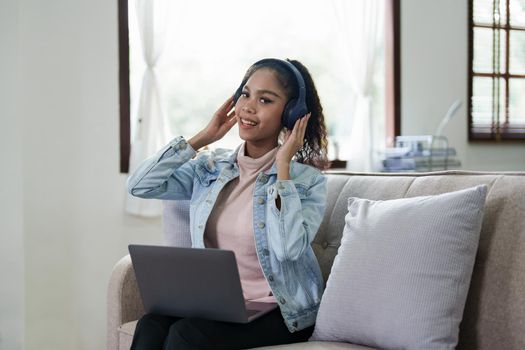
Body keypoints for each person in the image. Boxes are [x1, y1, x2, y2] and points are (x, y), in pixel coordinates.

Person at [126, 58, 329, 350]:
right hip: (220, 306)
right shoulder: (211, 168)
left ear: (291, 114)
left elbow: (287, 250)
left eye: (265, 99)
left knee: (187, 335)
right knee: (151, 324)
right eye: (245, 94)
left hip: (280, 312)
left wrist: (282, 166)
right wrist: (202, 138)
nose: (248, 106)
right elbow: (139, 185)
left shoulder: (305, 182)